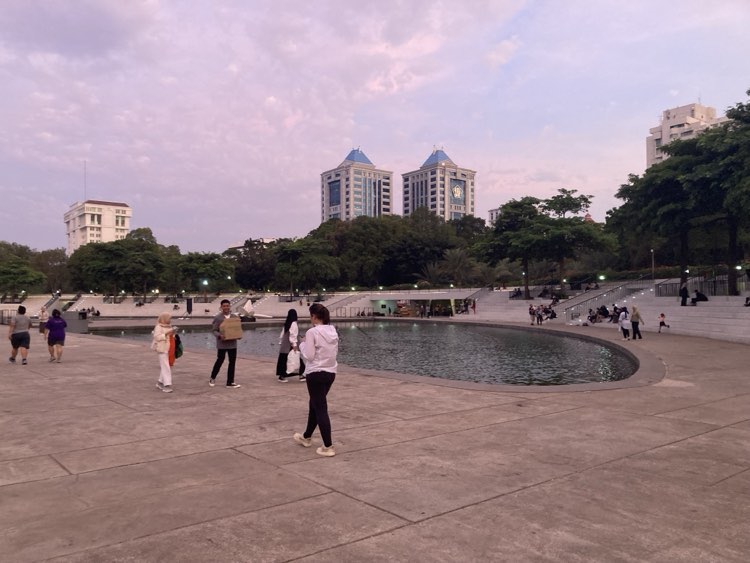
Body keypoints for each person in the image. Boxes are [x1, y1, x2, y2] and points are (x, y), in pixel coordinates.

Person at [293, 303, 339, 457]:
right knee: (314, 404)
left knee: (320, 408)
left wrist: (303, 343)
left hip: (316, 373)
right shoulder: (332, 330)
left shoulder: (312, 332)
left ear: (313, 316)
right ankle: (306, 436)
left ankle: (328, 445)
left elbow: (309, 356)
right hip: (330, 372)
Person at [209, 299, 241, 388]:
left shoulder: (234, 317)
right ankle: (213, 377)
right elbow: (214, 330)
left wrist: (239, 335)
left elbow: (237, 328)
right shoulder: (218, 317)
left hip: (232, 343)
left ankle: (230, 382)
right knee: (220, 360)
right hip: (222, 343)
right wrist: (219, 336)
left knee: (232, 362)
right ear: (221, 307)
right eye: (224, 306)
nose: (226, 307)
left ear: (230, 306)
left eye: (227, 305)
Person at [276, 308, 305, 382]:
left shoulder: (287, 323)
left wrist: (281, 342)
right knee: (296, 359)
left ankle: (282, 376)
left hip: (285, 345)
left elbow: (282, 334)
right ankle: (301, 374)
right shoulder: (294, 324)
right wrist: (294, 345)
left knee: (284, 360)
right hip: (290, 345)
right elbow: (293, 335)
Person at [151, 312, 177, 393]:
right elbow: (157, 337)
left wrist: (173, 332)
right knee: (166, 366)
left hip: (169, 348)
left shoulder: (168, 326)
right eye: (169, 318)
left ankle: (160, 382)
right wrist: (166, 333)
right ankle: (167, 385)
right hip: (162, 348)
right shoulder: (158, 326)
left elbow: (171, 336)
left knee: (166, 366)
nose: (170, 320)